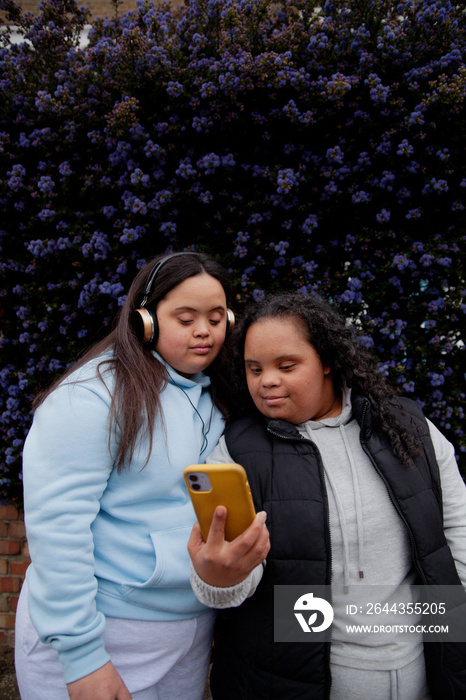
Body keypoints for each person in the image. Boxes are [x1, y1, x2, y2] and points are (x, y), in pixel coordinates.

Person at [15, 251, 270, 700]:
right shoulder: (90, 398)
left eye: (216, 317)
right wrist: (83, 658)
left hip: (186, 634)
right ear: (145, 321)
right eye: (185, 317)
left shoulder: (216, 396)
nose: (204, 331)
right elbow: (58, 531)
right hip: (103, 638)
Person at [188, 292, 466, 700]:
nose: (266, 381)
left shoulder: (408, 428)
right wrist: (219, 577)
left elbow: (457, 532)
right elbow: (233, 587)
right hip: (295, 684)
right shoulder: (237, 454)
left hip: (426, 676)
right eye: (254, 369)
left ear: (328, 361)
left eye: (286, 366)